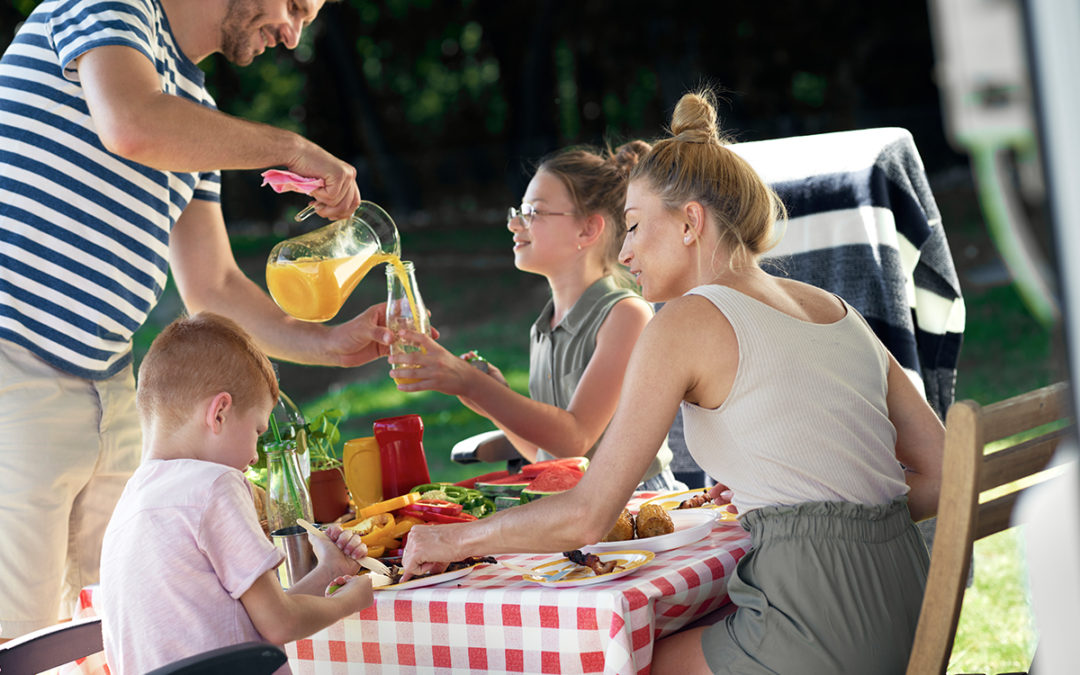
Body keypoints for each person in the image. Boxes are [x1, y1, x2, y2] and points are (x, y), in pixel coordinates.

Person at [401, 90, 945, 674]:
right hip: (910, 609)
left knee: (604, 658)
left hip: (817, 632)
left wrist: (452, 541)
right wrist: (814, 511)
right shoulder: (833, 307)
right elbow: (943, 473)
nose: (626, 251)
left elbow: (587, 515)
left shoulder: (685, 320)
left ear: (690, 221)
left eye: (633, 227)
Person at [0, 0, 392, 640]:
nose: (292, 33)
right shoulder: (111, 7)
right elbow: (129, 124)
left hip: (112, 391)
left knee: (115, 629)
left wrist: (331, 344)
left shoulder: (198, 113)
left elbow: (212, 287)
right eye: (293, 5)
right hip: (13, 366)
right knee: (16, 640)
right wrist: (292, 148)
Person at [389, 143, 682, 490]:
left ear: (587, 230)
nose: (514, 223)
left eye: (533, 212)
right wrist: (492, 399)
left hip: (637, 506)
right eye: (519, 210)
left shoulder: (626, 316)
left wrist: (472, 383)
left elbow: (575, 437)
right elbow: (548, 455)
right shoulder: (543, 329)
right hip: (572, 505)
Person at [99, 312, 373, 674]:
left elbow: (251, 619)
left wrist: (329, 572)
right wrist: (351, 601)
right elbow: (279, 625)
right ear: (219, 414)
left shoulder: (129, 505)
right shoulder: (213, 485)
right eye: (257, 430)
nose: (255, 454)